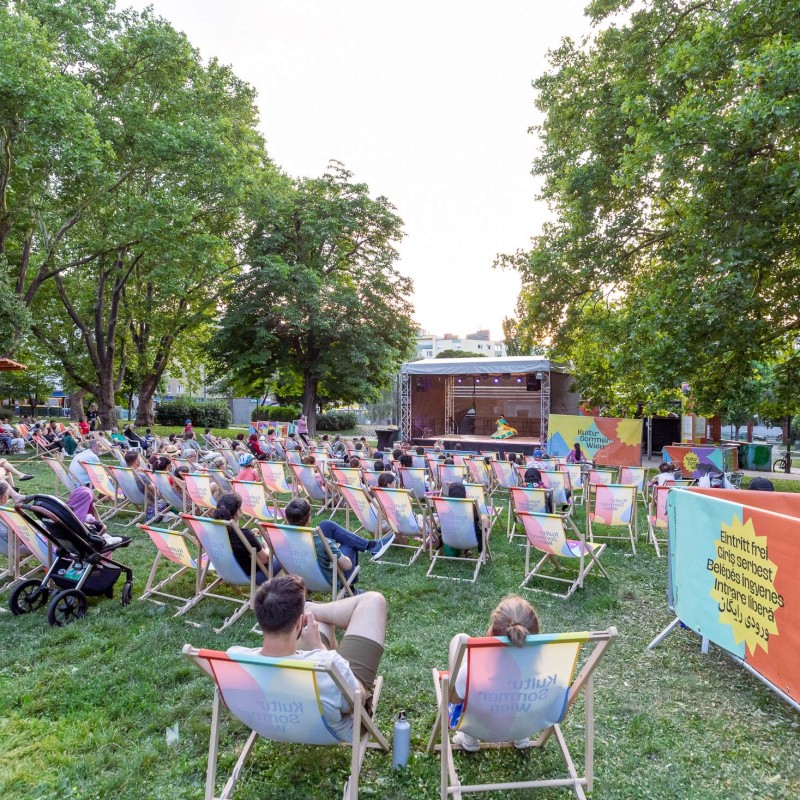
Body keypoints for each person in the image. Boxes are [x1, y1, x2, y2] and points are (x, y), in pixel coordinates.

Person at [230, 575, 388, 741]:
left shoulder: (234, 659)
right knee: (374, 601)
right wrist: (318, 648)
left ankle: (311, 609)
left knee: (319, 624)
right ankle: (310, 608)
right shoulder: (330, 665)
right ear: (299, 624)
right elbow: (358, 700)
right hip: (334, 730)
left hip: (273, 719)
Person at [448, 595, 541, 752]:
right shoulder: (544, 669)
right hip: (524, 724)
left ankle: (469, 739)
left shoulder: (473, 669)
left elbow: (454, 700)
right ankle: (521, 735)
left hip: (479, 728)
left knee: (461, 639)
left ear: (491, 632)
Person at [284, 498, 394, 588]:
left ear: (287, 519)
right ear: (309, 519)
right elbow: (347, 566)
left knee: (326, 525)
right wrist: (335, 550)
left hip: (300, 572)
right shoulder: (321, 541)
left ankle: (371, 545)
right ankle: (350, 588)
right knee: (349, 545)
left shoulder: (280, 539)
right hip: (324, 580)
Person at [212, 492, 271, 580]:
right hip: (247, 575)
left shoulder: (210, 531)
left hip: (225, 571)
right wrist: (266, 542)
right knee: (278, 555)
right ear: (238, 512)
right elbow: (265, 559)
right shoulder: (245, 535)